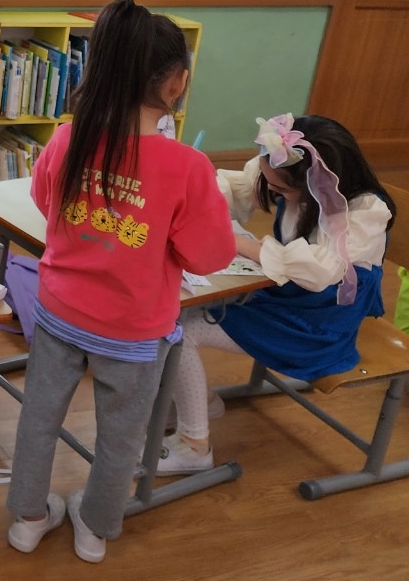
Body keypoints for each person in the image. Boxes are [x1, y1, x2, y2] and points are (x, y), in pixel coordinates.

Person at [5, 0, 235, 564]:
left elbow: (46, 202)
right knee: (121, 436)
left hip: (59, 312)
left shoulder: (68, 137)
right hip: (133, 332)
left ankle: (28, 519)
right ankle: (95, 527)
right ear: (176, 84)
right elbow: (209, 256)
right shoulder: (188, 167)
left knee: (38, 417)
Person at [160, 113, 397, 475]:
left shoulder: (364, 213)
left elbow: (320, 271)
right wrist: (191, 197)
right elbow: (236, 190)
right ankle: (195, 403)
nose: (271, 193)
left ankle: (195, 445)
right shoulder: (285, 170)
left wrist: (240, 245)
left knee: (181, 330)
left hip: (319, 326)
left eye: (281, 191)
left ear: (317, 183)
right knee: (178, 310)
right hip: (287, 299)